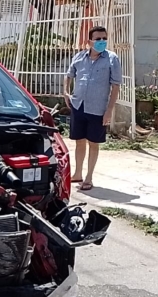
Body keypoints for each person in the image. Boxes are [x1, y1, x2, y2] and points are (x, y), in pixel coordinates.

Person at [63, 26, 122, 191]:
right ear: (89, 41)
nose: (102, 41)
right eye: (98, 39)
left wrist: (109, 110)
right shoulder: (80, 57)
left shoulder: (111, 59)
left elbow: (115, 86)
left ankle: (88, 178)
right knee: (79, 141)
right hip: (78, 105)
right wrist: (66, 92)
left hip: (97, 109)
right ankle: (77, 174)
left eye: (104, 38)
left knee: (94, 143)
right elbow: (69, 75)